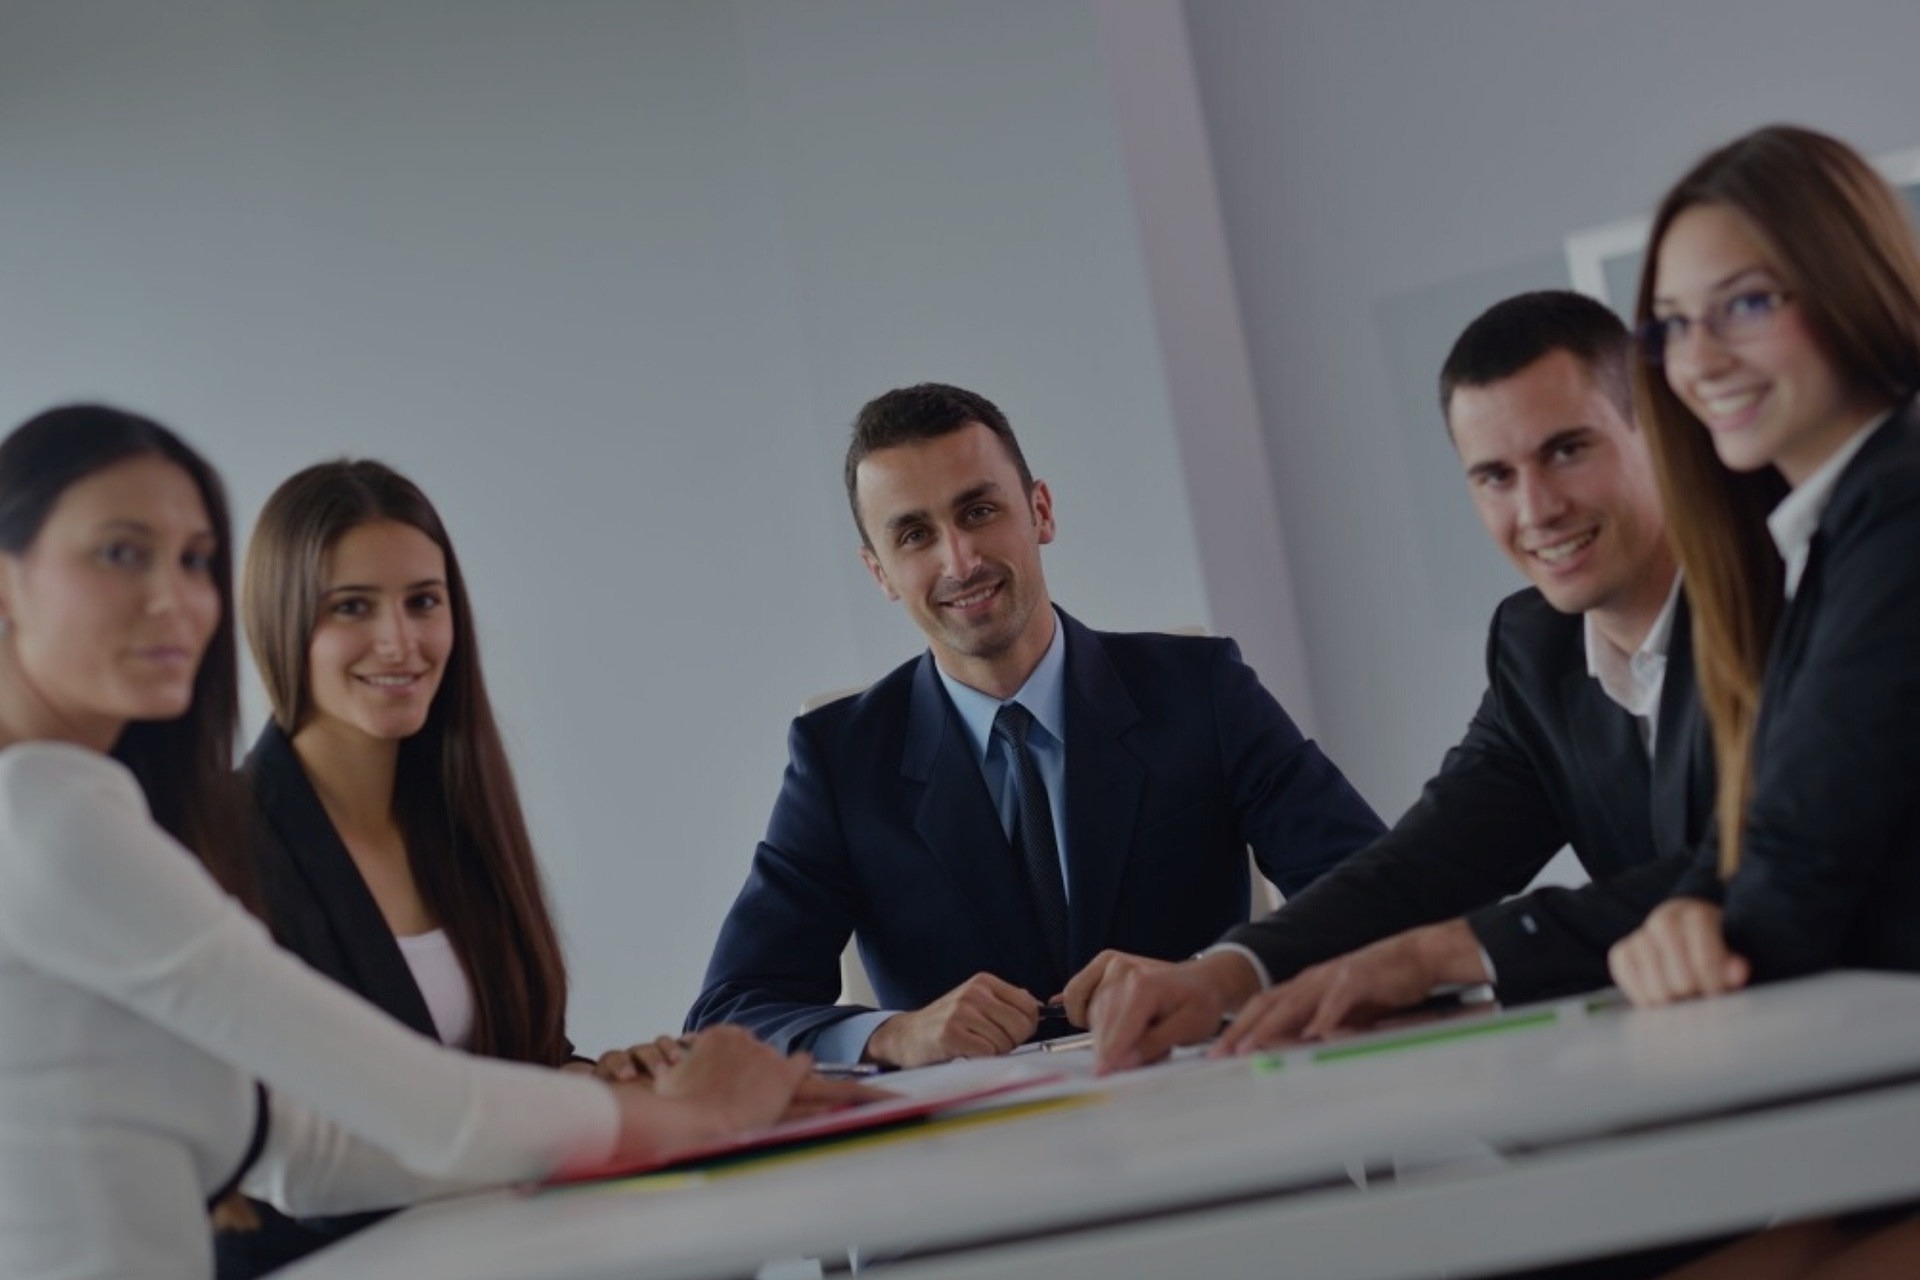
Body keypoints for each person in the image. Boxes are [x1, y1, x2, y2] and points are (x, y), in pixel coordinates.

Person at [0, 405, 852, 1280]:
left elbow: (305, 1153)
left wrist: (624, 1102)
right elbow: (419, 1107)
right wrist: (694, 1116)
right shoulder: (46, 818)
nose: (174, 598)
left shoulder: (80, 808)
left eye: (194, 560)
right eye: (120, 552)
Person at [1074, 291, 1714, 1072]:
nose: (1537, 509)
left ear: (1657, 430)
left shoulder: (1789, 599)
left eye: (1568, 451)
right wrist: (1227, 972)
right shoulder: (1535, 643)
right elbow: (1427, 862)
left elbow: (1763, 860)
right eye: (1494, 476)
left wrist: (1438, 956)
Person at [687, 382, 1385, 1068]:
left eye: (979, 511)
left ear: (1040, 512)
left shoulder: (1201, 690)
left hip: (1206, 1108)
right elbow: (729, 1014)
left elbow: (1378, 897)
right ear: (881, 573)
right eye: (915, 535)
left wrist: (1214, 976)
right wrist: (894, 1035)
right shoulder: (839, 761)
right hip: (980, 1139)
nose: (959, 561)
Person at [218, 459, 678, 1277]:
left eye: (423, 602)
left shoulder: (458, 815)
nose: (401, 642)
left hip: (498, 1246)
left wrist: (601, 1078)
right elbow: (294, 1150)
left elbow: (516, 1061)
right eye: (352, 607)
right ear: (280, 620)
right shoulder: (226, 843)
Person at [1603, 124, 1920, 1277]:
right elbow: (1756, 825)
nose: (1700, 359)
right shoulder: (1823, 532)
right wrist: (1686, 913)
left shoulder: (1902, 501)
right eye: (1673, 323)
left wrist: (1706, 950)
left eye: (1744, 304)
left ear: (1848, 281)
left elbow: (1802, 851)